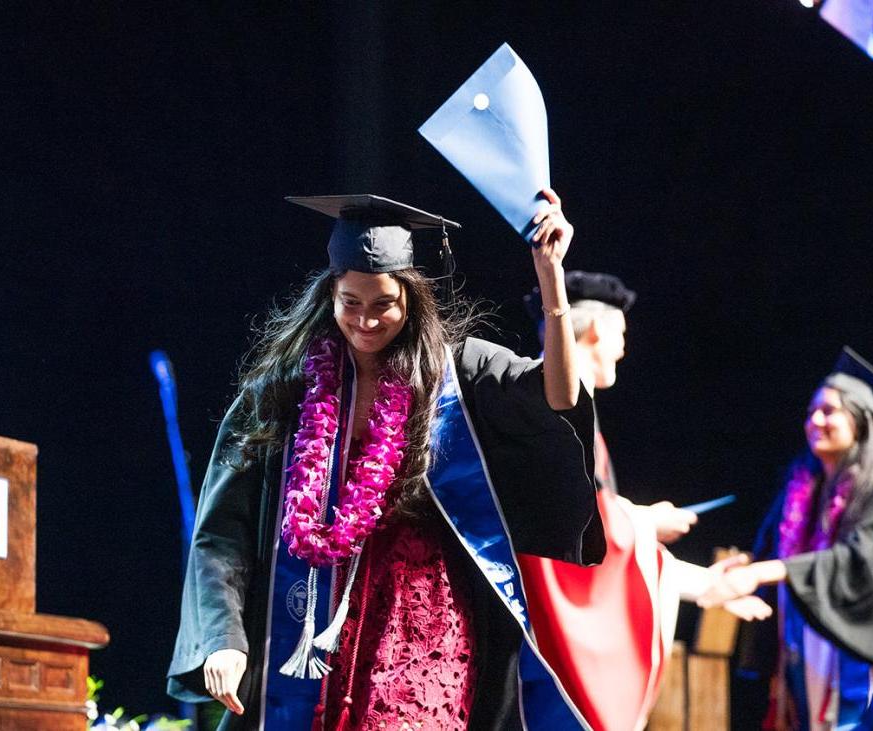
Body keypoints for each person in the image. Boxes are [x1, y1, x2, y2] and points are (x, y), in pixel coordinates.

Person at [168, 190, 607, 730]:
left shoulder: (456, 373)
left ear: (411, 299)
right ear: (329, 295)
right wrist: (222, 640)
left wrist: (551, 281)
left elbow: (558, 398)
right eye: (350, 302)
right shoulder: (283, 391)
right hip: (311, 614)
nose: (366, 320)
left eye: (384, 304)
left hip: (424, 622)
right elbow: (221, 534)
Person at [516, 271, 770, 730]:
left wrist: (702, 584)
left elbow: (597, 534)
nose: (624, 350)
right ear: (595, 331)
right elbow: (570, 532)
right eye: (620, 336)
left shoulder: (567, 409)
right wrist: (643, 521)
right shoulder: (549, 408)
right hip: (546, 649)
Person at [698, 348, 873, 731]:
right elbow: (775, 554)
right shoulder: (800, 491)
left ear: (861, 421)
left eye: (829, 411)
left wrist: (766, 572)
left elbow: (861, 566)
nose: (815, 421)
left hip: (856, 658)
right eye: (810, 413)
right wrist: (749, 568)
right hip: (801, 656)